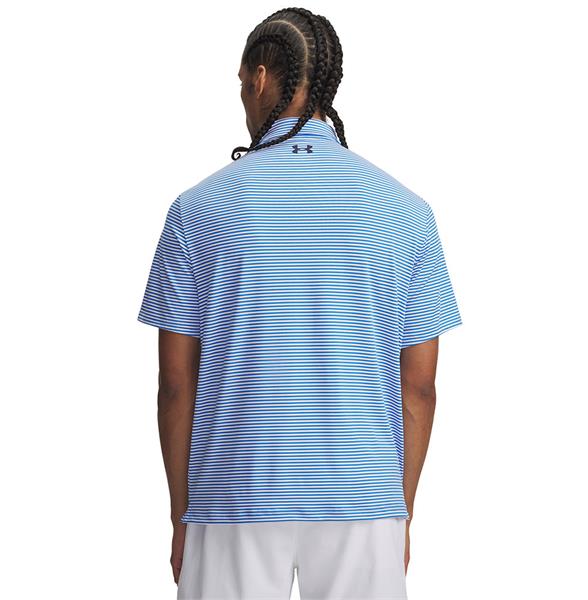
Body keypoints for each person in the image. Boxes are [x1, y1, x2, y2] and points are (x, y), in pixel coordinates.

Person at [137, 7, 462, 600]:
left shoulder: (198, 209)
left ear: (260, 78)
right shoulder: (406, 212)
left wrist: (182, 512)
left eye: (241, 82)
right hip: (364, 494)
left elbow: (176, 384)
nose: (242, 96)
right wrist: (401, 511)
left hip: (233, 489)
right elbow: (419, 386)